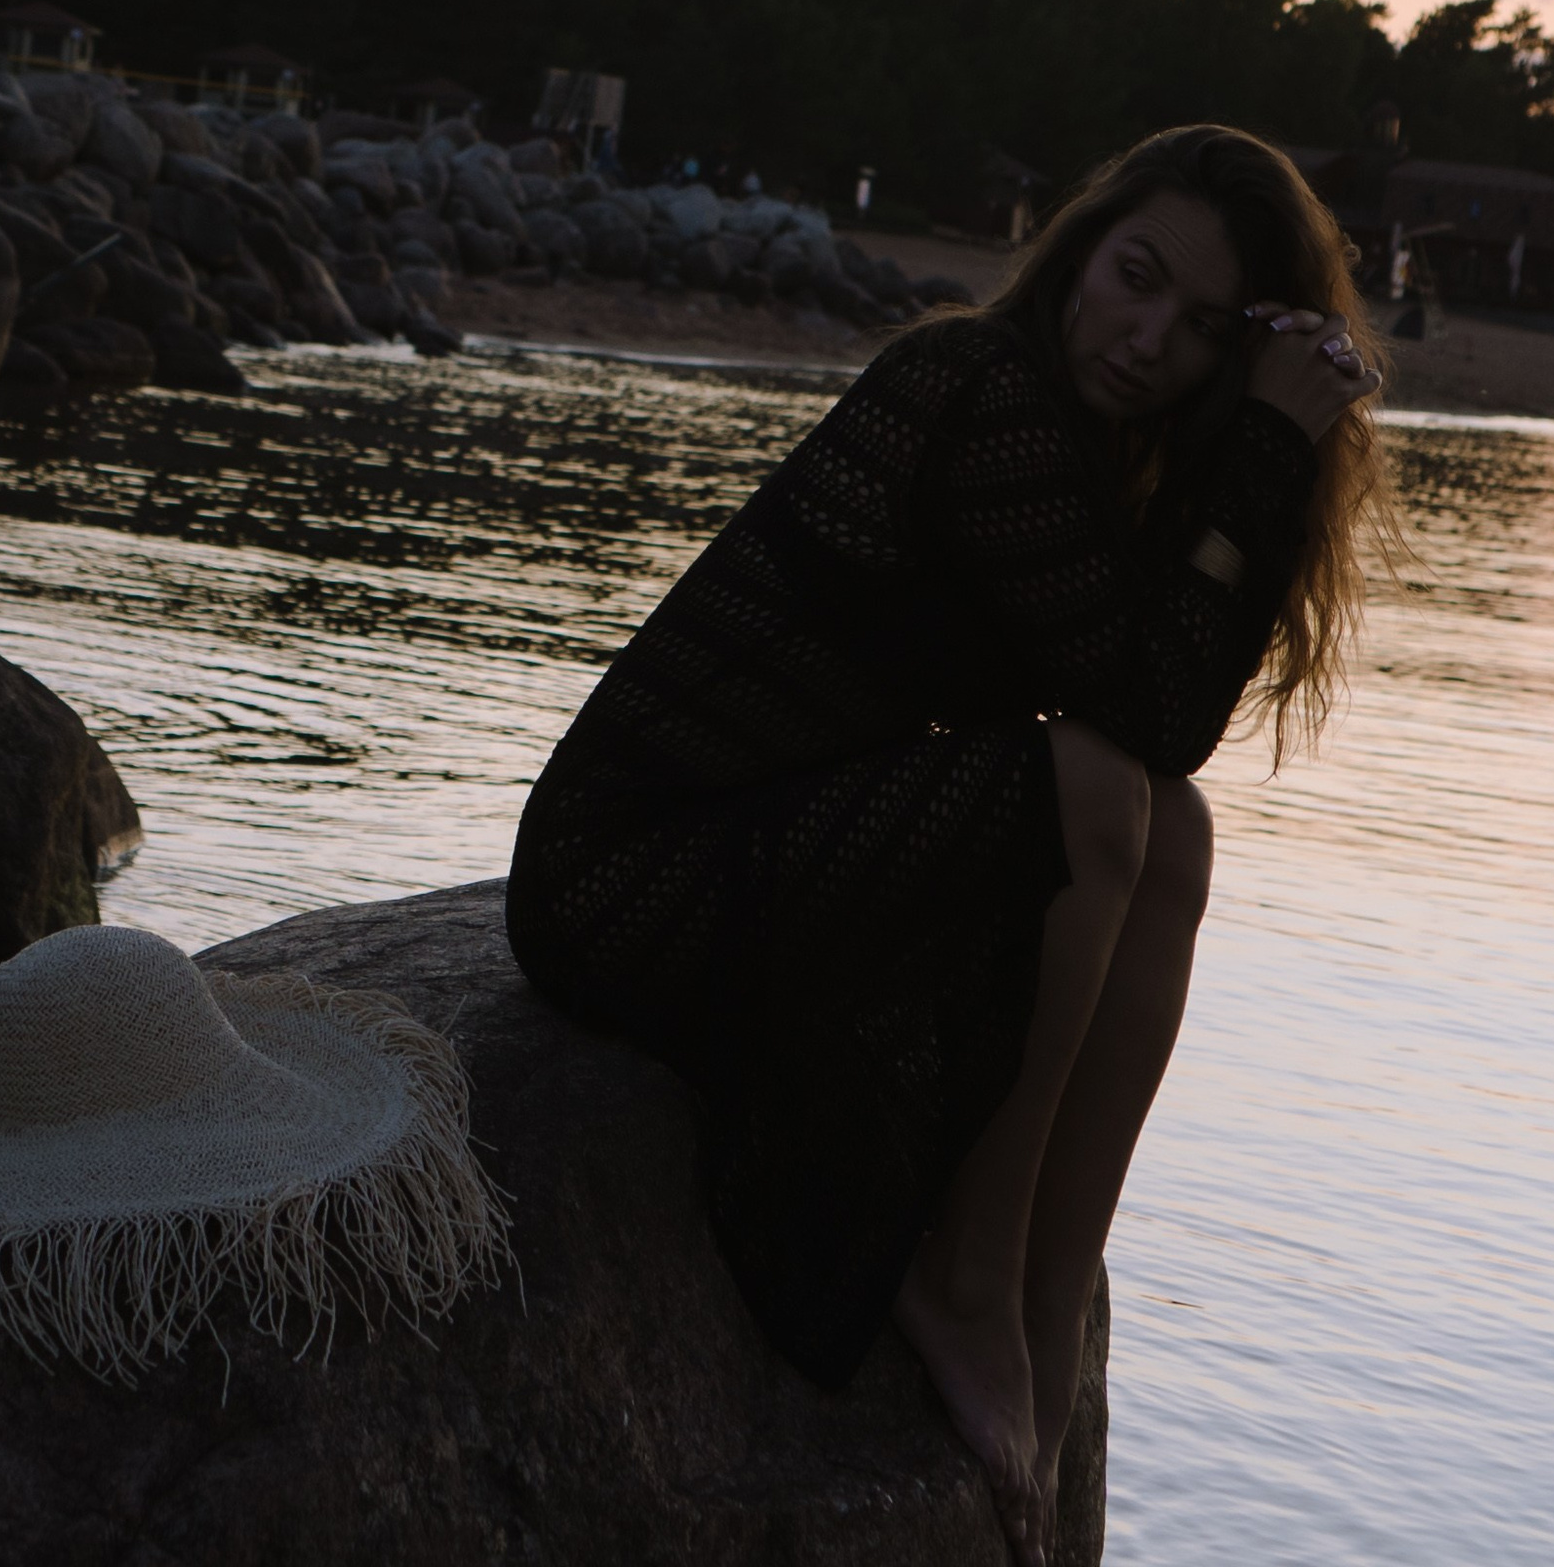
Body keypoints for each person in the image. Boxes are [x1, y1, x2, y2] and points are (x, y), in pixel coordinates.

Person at [505, 124, 1388, 1563]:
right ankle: (974, 1285)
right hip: (633, 874)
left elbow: (1171, 730)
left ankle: (1043, 1294)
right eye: (1137, 277)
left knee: (1175, 838)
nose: (1148, 336)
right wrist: (1273, 445)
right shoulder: (973, 386)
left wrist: (1255, 469)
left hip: (781, 842)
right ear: (1082, 246)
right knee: (1106, 792)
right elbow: (1146, 712)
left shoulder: (1099, 448)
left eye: (1202, 329)